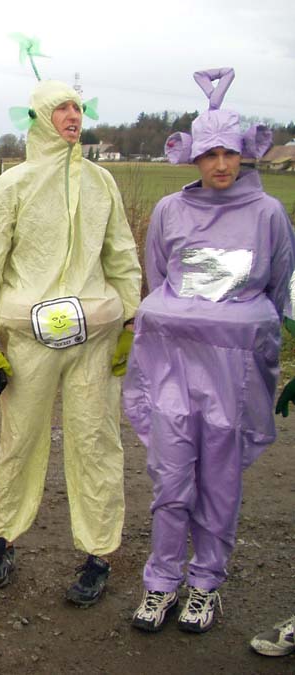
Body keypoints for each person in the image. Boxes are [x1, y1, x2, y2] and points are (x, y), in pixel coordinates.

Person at [125, 68, 295, 634]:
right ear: (194, 157)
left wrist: (250, 336)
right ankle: (161, 582)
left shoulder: (268, 215)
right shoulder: (170, 212)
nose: (220, 165)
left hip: (232, 372)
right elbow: (159, 279)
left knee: (220, 482)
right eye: (209, 154)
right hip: (173, 367)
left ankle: (205, 584)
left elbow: (279, 288)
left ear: (244, 154)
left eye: (229, 153)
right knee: (171, 479)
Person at [0, 77, 141, 606]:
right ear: (41, 116)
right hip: (28, 336)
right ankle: (2, 540)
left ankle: (98, 554)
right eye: (62, 108)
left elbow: (120, 253)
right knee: (19, 439)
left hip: (95, 333)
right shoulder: (10, 187)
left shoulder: (101, 183)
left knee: (96, 442)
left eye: (78, 108)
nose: (73, 116)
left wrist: (129, 320)